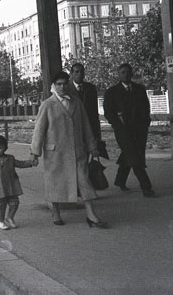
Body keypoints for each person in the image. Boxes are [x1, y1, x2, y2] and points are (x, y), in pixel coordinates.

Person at [30, 71, 107, 228]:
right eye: (59, 84)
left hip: (77, 151)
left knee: (84, 181)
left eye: (65, 83)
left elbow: (86, 126)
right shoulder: (47, 105)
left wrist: (92, 146)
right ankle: (55, 212)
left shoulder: (77, 103)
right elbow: (39, 130)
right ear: (54, 86)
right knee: (56, 183)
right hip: (55, 154)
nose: (62, 87)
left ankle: (91, 215)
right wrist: (34, 153)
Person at [103, 63, 155, 197]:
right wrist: (117, 124)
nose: (126, 75)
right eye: (123, 72)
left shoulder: (139, 89)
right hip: (123, 131)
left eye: (128, 72)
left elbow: (146, 107)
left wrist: (145, 123)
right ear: (118, 74)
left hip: (139, 130)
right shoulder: (111, 92)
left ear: (132, 74)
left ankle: (120, 180)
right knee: (135, 157)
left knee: (130, 155)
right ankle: (146, 187)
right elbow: (108, 112)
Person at [0, 135, 38, 230]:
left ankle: (10, 217)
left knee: (15, 203)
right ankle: (0, 221)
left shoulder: (10, 158)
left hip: (11, 185)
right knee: (1, 205)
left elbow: (20, 164)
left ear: (6, 148)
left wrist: (30, 162)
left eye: (0, 148)